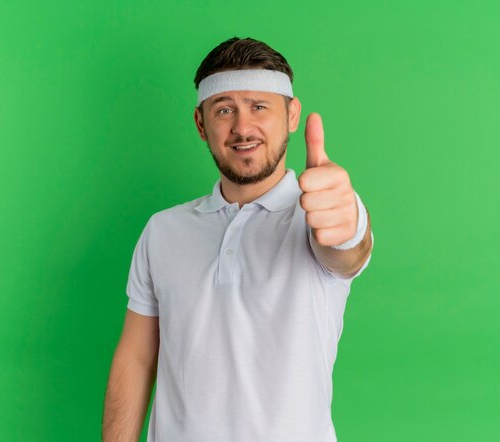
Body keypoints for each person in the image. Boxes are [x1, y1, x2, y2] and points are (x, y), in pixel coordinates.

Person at [102, 36, 374, 442]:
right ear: (200, 123)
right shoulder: (163, 230)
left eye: (259, 106)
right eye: (224, 109)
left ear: (292, 114)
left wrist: (349, 225)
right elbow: (137, 358)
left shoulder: (317, 215)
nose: (242, 127)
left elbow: (347, 252)